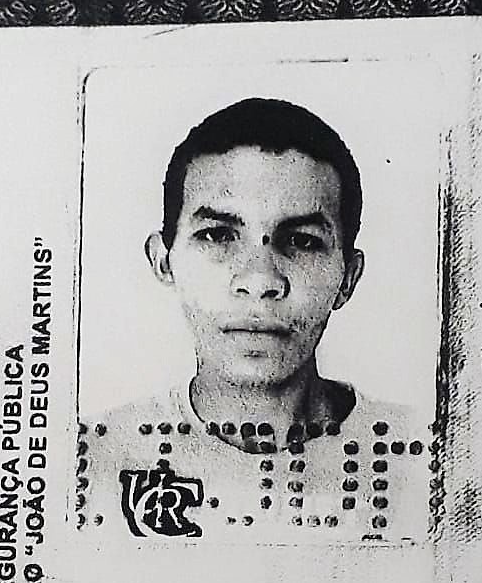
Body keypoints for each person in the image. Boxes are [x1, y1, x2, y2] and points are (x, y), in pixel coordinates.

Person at [78, 98, 427, 541]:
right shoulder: (86, 462)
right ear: (164, 262)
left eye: (301, 240)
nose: (260, 280)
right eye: (218, 235)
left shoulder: (431, 460)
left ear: (347, 277)